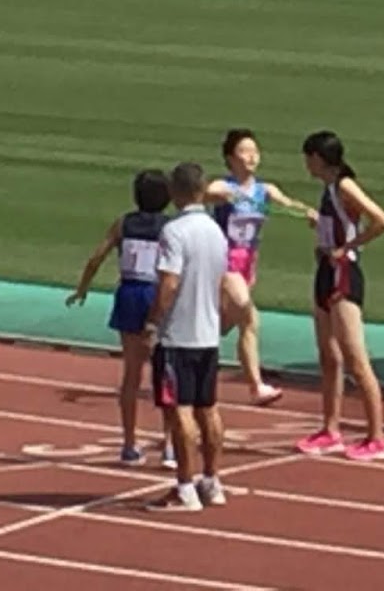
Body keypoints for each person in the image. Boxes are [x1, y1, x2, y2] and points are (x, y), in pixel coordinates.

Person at [65, 169, 176, 466]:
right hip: (158, 294)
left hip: (129, 294)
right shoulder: (172, 227)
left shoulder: (124, 224)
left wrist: (82, 289)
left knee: (131, 373)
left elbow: (96, 257)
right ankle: (169, 445)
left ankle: (129, 443)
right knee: (164, 372)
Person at [201, 128, 318, 407]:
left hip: (248, 263)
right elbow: (205, 192)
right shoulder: (225, 187)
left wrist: (309, 214)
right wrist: (224, 197)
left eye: (254, 151)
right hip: (224, 260)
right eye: (244, 151)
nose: (251, 157)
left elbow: (289, 204)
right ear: (230, 158)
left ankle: (183, 349)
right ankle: (256, 385)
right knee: (248, 315)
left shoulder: (265, 190)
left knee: (223, 323)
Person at [295, 130, 384, 461]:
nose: (305, 164)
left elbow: (382, 221)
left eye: (308, 158)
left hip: (344, 274)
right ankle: (330, 429)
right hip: (324, 271)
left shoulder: (345, 186)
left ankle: (377, 437)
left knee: (356, 360)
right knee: (329, 356)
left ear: (319, 159)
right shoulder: (328, 190)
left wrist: (347, 247)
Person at [142, 162, 229, 512]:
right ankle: (212, 480)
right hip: (207, 333)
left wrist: (153, 322)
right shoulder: (216, 231)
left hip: (178, 335)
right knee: (208, 407)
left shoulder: (174, 232)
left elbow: (169, 282)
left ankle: (185, 487)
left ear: (176, 193)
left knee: (180, 412)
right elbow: (222, 282)